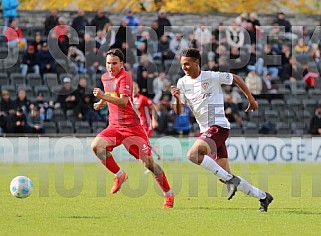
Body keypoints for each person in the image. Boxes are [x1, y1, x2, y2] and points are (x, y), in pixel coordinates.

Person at [171, 48, 273, 212]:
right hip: (207, 130)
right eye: (182, 64)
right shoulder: (182, 83)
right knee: (225, 174)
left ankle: (230, 180)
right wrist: (176, 99)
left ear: (197, 62)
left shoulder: (211, 76)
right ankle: (263, 196)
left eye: (187, 64)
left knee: (192, 155)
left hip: (218, 126)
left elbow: (236, 78)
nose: (184, 67)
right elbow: (178, 111)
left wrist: (251, 98)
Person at [91, 48, 174, 208]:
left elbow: (122, 101)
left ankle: (168, 195)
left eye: (114, 63)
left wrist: (102, 97)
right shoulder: (105, 77)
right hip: (114, 126)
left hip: (132, 127)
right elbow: (110, 93)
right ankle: (120, 175)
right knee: (96, 147)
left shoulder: (125, 77)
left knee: (149, 163)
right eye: (108, 63)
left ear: (122, 63)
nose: (110, 66)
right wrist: (100, 103)